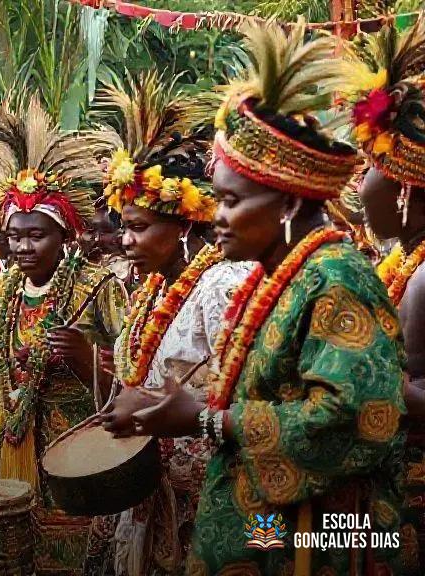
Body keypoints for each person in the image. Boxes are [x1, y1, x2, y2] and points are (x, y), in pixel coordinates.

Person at [101, 23, 412, 575]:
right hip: (265, 520)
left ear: (287, 204)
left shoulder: (335, 278)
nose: (215, 217)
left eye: (229, 201)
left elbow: (356, 419)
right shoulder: (276, 274)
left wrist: (204, 420)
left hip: (324, 534)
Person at [86, 72, 252, 576]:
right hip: (152, 491)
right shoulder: (153, 288)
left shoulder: (222, 284)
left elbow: (242, 396)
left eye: (139, 228)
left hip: (211, 500)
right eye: (124, 228)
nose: (126, 242)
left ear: (182, 227)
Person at [0, 94, 128, 575]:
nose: (23, 246)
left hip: (76, 449)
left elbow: (133, 372)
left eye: (36, 235)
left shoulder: (98, 287)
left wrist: (83, 357)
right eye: (15, 235)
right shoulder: (1, 290)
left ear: (65, 235)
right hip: (13, 442)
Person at [347, 21, 425, 568]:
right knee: (274, 533)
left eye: (371, 167)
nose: (358, 184)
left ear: (405, 192)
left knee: (270, 536)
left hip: (404, 511)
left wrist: (372, 380)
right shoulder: (402, 263)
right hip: (381, 493)